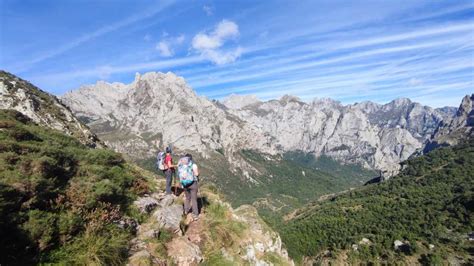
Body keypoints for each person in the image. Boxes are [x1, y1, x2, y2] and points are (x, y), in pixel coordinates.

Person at [178, 153, 200, 221]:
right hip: (193, 184)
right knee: (194, 199)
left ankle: (186, 211)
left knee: (187, 198)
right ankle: (195, 214)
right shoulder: (193, 165)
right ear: (191, 159)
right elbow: (196, 174)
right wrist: (198, 173)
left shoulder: (182, 165)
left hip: (185, 184)